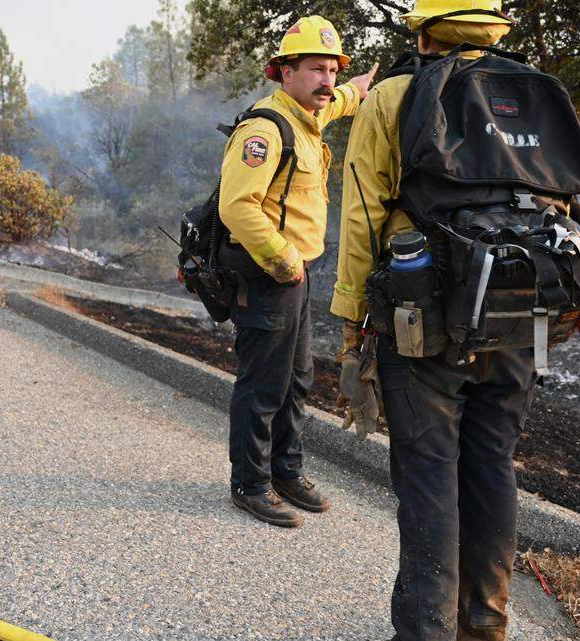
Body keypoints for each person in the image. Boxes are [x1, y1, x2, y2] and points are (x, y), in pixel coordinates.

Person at [332, 2, 536, 639]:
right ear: (494, 26)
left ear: (423, 29)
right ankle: (486, 627)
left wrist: (350, 330)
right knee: (492, 463)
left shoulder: (392, 95)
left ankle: (426, 630)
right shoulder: (527, 90)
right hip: (517, 309)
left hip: (422, 316)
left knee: (428, 475)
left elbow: (364, 218)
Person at [219, 15, 377, 528]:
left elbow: (342, 100)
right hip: (271, 274)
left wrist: (359, 88)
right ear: (285, 72)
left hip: (296, 274)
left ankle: (286, 472)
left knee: (297, 380)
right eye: (315, 69)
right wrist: (286, 264)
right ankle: (250, 483)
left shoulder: (310, 118)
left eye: (332, 69)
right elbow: (237, 207)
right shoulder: (266, 129)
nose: (326, 80)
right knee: (264, 383)